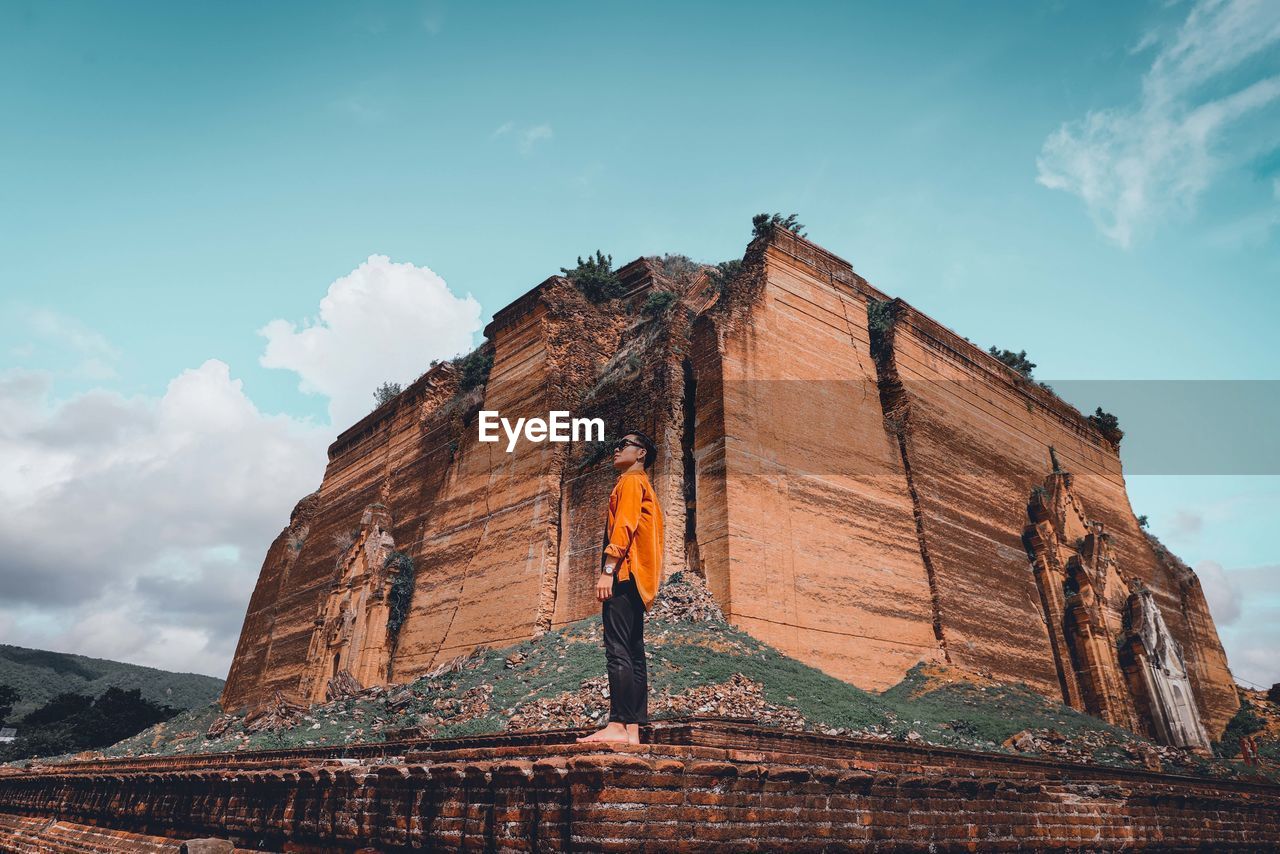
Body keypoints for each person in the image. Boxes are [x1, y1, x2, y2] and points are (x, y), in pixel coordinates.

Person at [577, 430, 664, 745]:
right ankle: (632, 731)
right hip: (640, 583)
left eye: (622, 445)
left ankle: (617, 724)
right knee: (634, 653)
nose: (615, 449)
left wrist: (607, 571)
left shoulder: (629, 482)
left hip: (624, 576)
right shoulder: (647, 488)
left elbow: (623, 527)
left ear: (640, 453)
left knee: (617, 651)